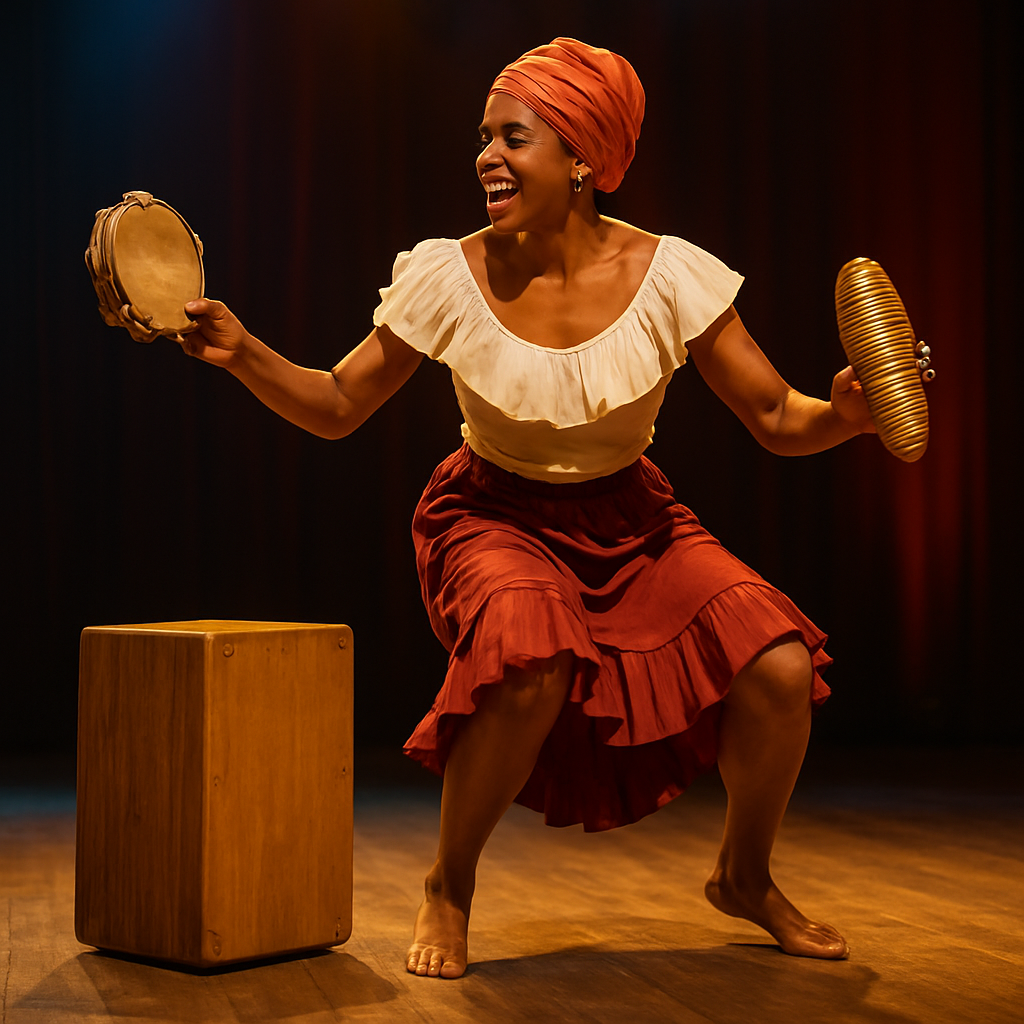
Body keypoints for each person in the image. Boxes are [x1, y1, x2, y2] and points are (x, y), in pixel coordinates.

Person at [179, 38, 875, 979]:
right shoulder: (449, 272)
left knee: (781, 668)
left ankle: (744, 877)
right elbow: (338, 406)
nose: (486, 158)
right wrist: (243, 349)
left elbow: (776, 417)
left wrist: (844, 414)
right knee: (530, 652)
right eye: (484, 138)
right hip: (490, 513)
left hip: (633, 519)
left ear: (584, 156)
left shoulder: (672, 274)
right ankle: (449, 883)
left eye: (514, 137)